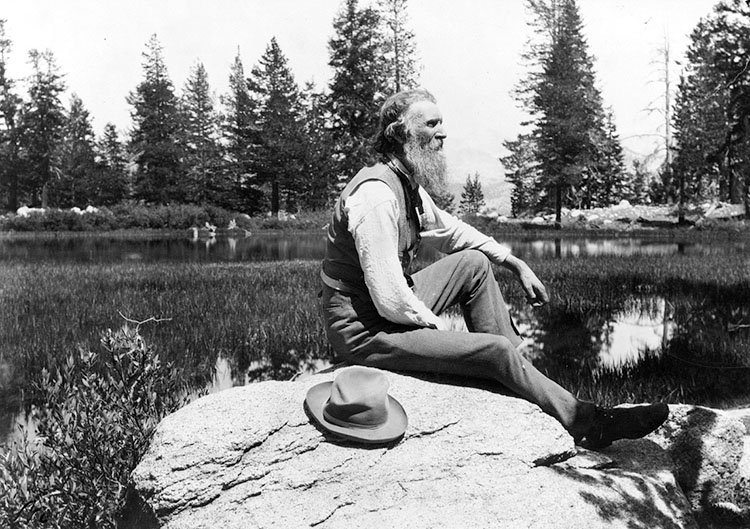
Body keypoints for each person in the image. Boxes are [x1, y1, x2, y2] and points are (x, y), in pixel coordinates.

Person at [318, 88, 668, 449]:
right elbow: (391, 298)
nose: (443, 133)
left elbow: (450, 232)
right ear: (401, 133)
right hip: (363, 330)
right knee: (493, 350)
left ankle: (518, 374)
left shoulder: (405, 183)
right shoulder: (376, 195)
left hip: (384, 309)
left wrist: (514, 262)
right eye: (432, 124)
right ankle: (586, 421)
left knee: (474, 263)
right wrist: (444, 335)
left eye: (443, 123)